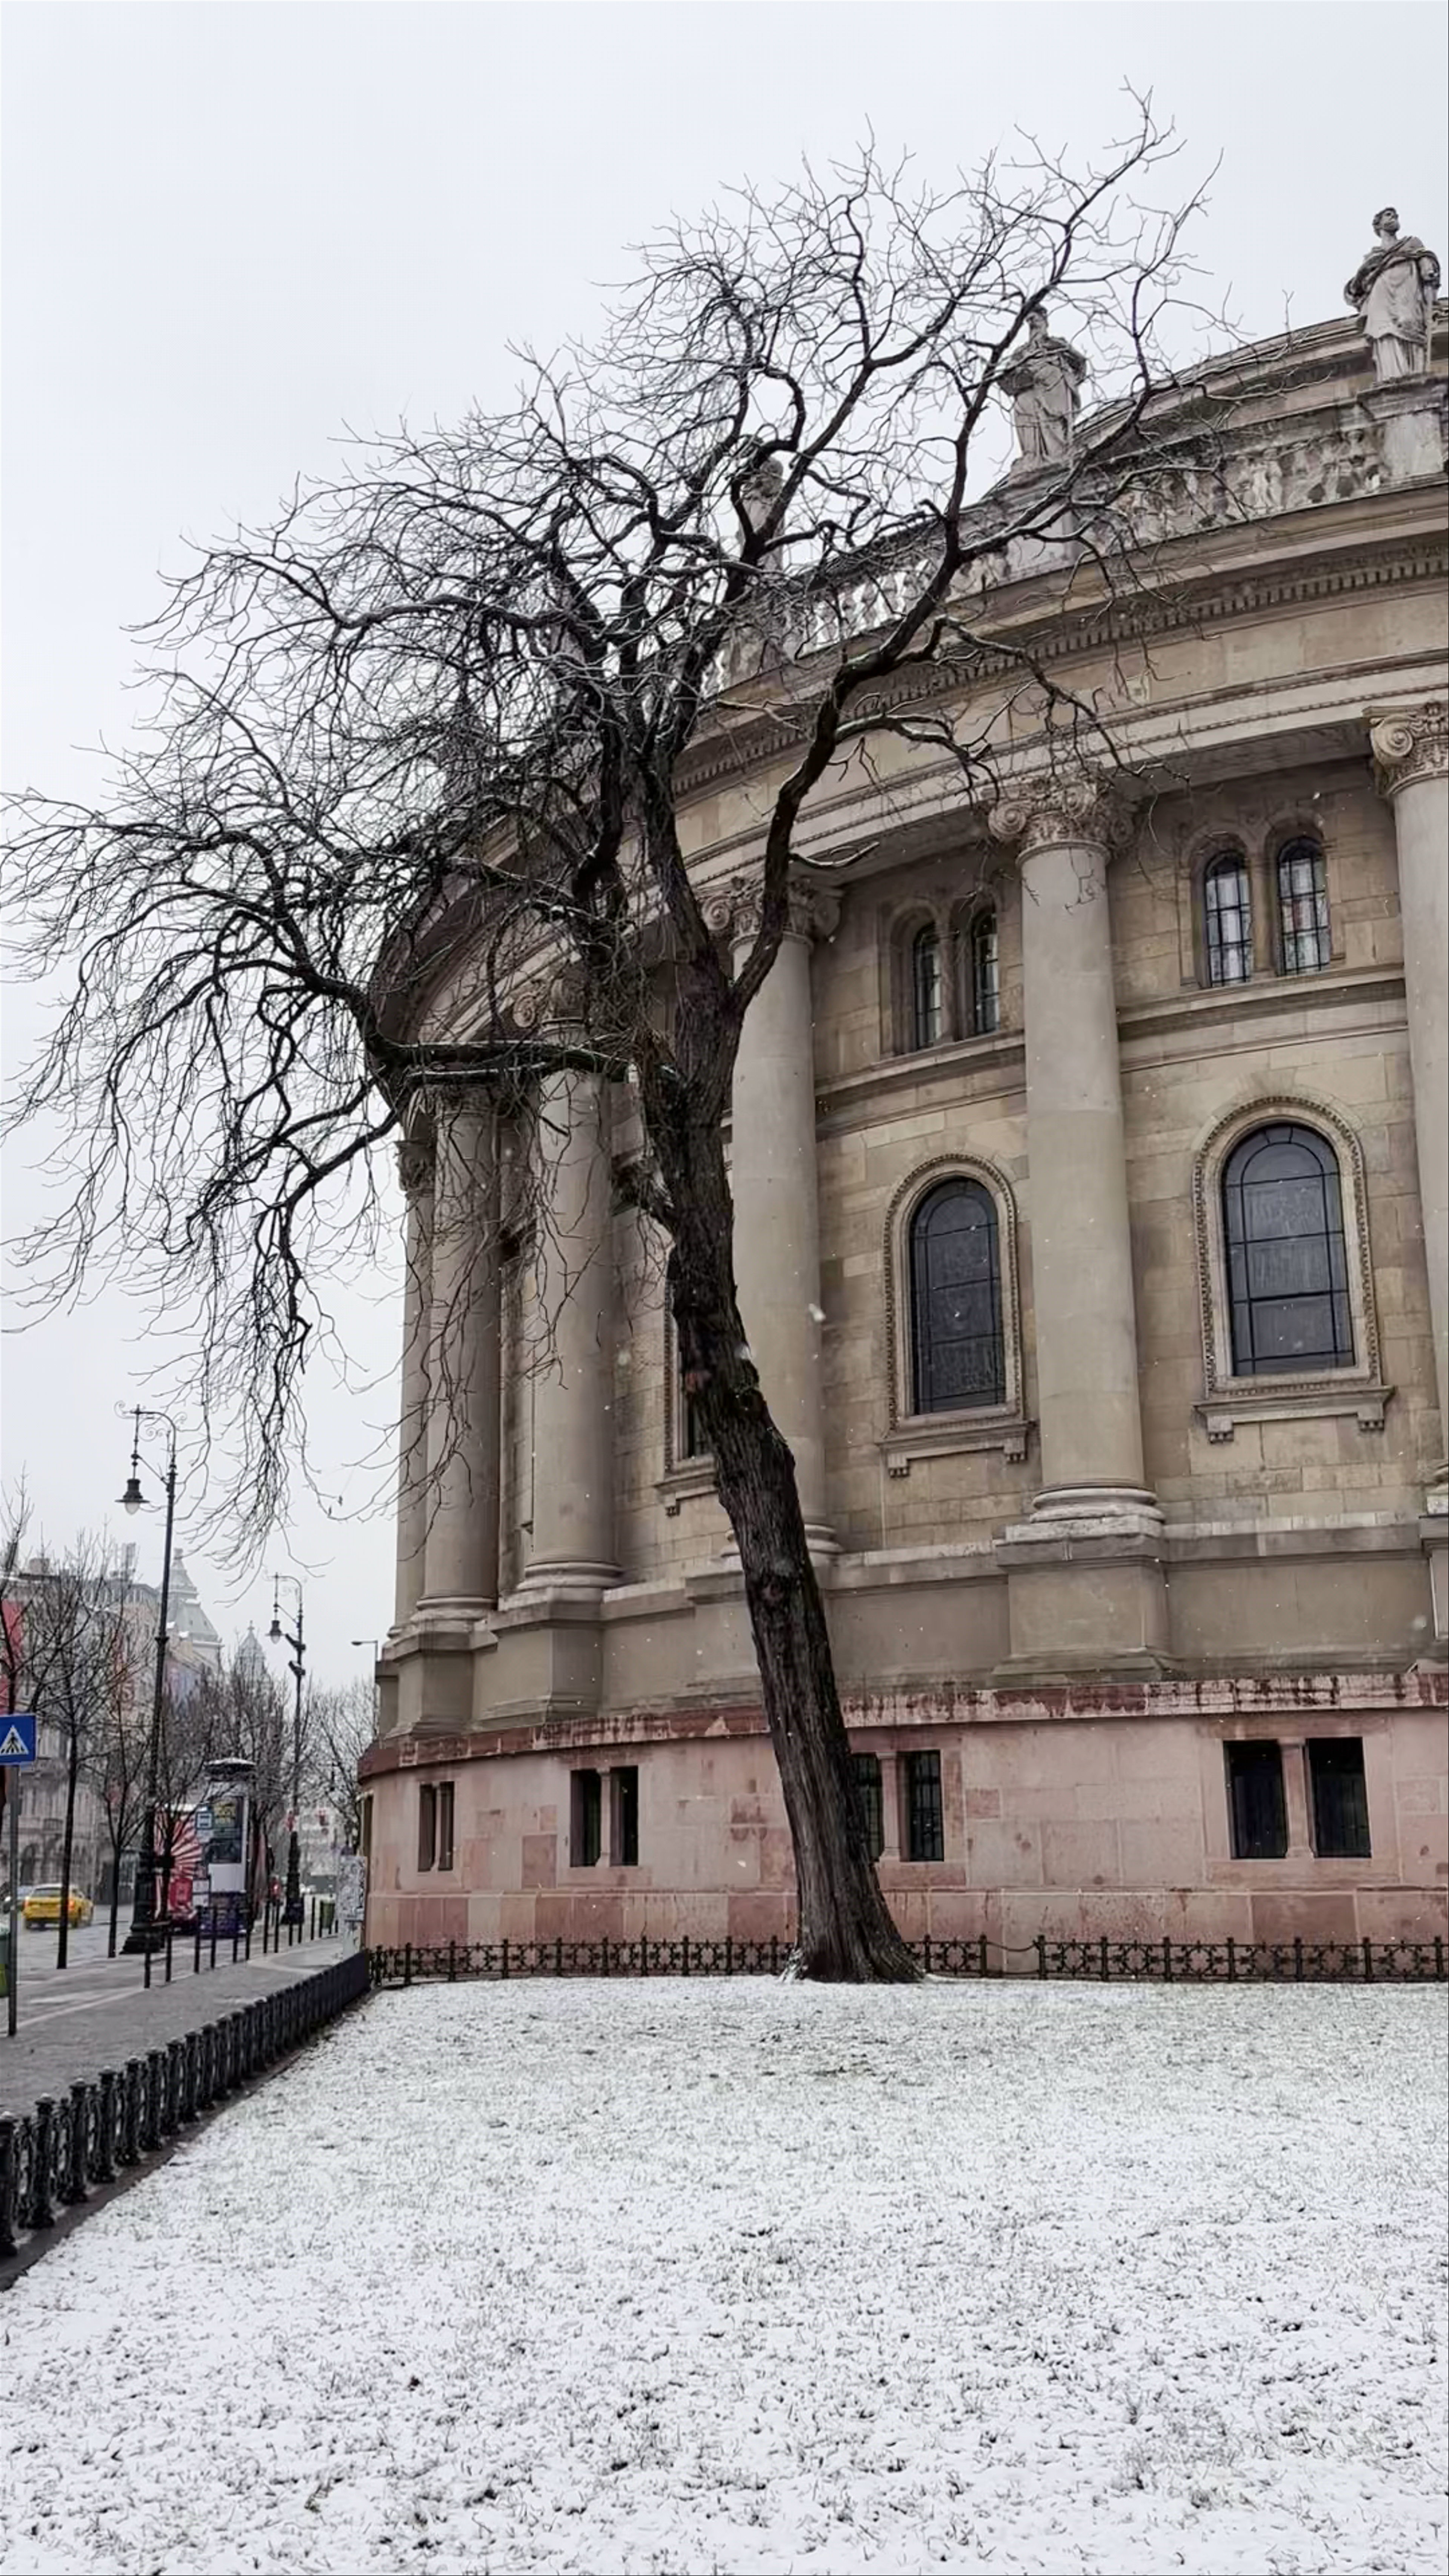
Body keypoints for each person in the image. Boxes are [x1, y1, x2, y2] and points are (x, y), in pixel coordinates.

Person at [1345, 209, 1440, 383]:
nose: (1394, 218)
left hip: (1407, 290)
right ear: (1378, 224)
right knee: (1385, 334)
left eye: (1396, 216)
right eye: (1389, 215)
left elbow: (1425, 259)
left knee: (1410, 326)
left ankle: (1414, 374)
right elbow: (1356, 289)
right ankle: (1391, 376)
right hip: (1380, 295)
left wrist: (1428, 267)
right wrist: (1363, 270)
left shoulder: (1411, 243)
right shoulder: (1373, 256)